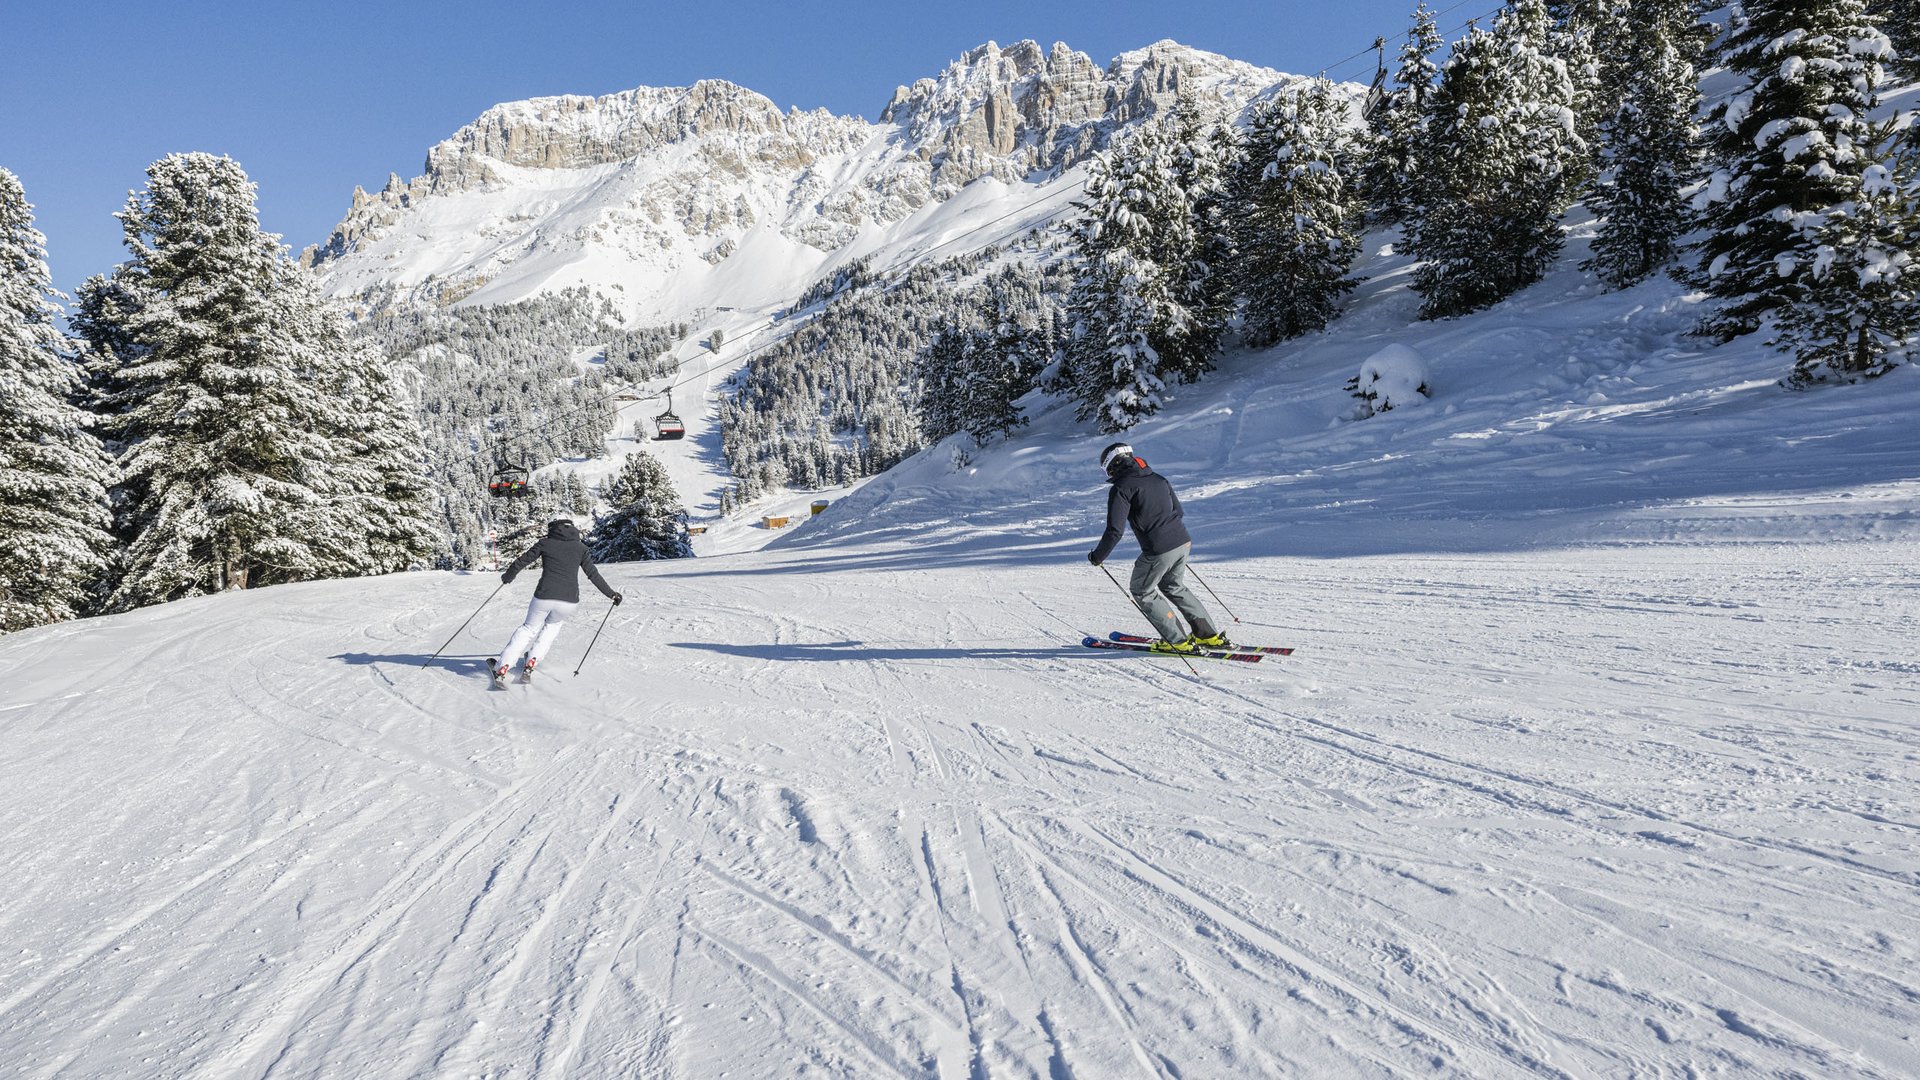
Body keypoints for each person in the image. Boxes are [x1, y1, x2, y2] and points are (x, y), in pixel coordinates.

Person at [1087, 442, 1228, 654]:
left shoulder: (1122, 488)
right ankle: (1209, 636)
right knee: (1174, 586)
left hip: (1159, 549)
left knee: (1142, 590)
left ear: (1112, 465)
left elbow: (1115, 530)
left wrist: (1098, 556)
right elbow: (1178, 512)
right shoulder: (1158, 479)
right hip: (1182, 541)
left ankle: (1177, 640)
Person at [491, 519, 622, 681]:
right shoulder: (581, 548)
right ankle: (532, 661)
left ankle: (503, 667)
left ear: (554, 529)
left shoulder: (546, 543)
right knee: (551, 628)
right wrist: (612, 594)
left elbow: (522, 561)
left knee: (528, 629)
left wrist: (508, 576)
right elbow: (593, 575)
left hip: (544, 595)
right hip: (569, 600)